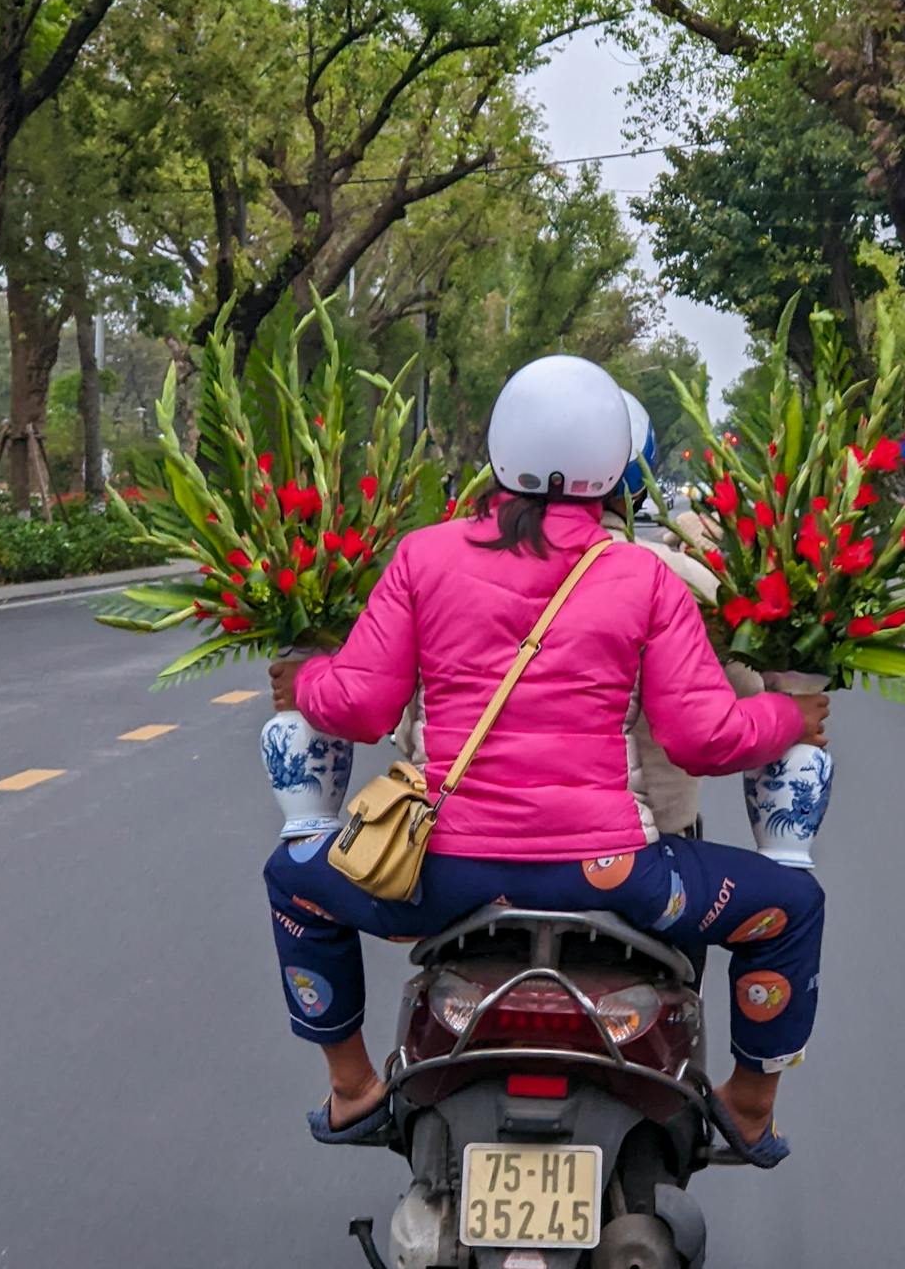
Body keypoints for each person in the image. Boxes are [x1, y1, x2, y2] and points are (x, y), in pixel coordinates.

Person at [265, 354, 828, 1169]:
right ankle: (746, 1105)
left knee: (293, 882)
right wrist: (788, 715)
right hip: (614, 875)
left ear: (498, 451)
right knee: (793, 907)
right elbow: (702, 738)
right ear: (615, 466)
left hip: (440, 875)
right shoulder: (644, 576)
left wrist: (304, 677)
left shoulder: (422, 559)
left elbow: (358, 706)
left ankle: (352, 1085)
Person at [604, 387, 770, 842]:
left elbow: (402, 724)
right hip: (645, 843)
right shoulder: (673, 575)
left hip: (461, 853)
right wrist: (792, 717)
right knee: (797, 901)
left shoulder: (439, 563)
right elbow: (733, 705)